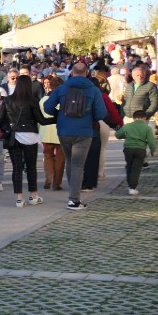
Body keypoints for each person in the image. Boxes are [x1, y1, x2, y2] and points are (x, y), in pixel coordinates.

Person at [43, 62, 107, 210]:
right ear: (86, 73)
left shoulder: (62, 88)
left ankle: (73, 193)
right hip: (84, 131)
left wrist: (59, 114)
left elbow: (47, 107)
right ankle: (74, 199)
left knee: (71, 161)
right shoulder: (93, 90)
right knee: (78, 163)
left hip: (64, 130)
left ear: (71, 73)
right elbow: (101, 113)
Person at [0, 79, 52, 208]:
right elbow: (42, 120)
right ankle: (33, 195)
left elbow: (0, 118)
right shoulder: (33, 101)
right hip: (30, 135)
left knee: (16, 167)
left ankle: (19, 198)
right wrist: (56, 118)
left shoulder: (7, 100)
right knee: (31, 166)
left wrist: (7, 130)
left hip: (14, 135)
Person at [115, 110, 157, 196]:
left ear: (133, 118)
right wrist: (153, 150)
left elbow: (118, 135)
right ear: (145, 118)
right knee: (136, 168)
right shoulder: (147, 128)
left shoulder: (128, 126)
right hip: (140, 149)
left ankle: (130, 184)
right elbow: (151, 141)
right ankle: (132, 188)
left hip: (128, 149)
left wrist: (126, 136)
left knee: (129, 166)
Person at [40, 76, 65, 191]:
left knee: (47, 155)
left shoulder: (43, 100)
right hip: (59, 131)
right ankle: (57, 183)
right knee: (60, 157)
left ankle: (49, 177)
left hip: (45, 131)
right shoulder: (63, 99)